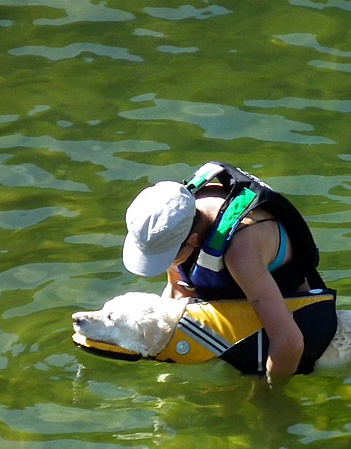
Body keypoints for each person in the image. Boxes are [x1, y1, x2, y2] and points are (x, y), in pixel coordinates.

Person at [122, 162, 334, 381]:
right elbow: (177, 289)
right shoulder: (178, 215)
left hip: (290, 313)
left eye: (168, 256)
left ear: (193, 240)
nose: (168, 263)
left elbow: (289, 342)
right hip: (241, 287)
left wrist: (267, 392)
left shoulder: (242, 252)